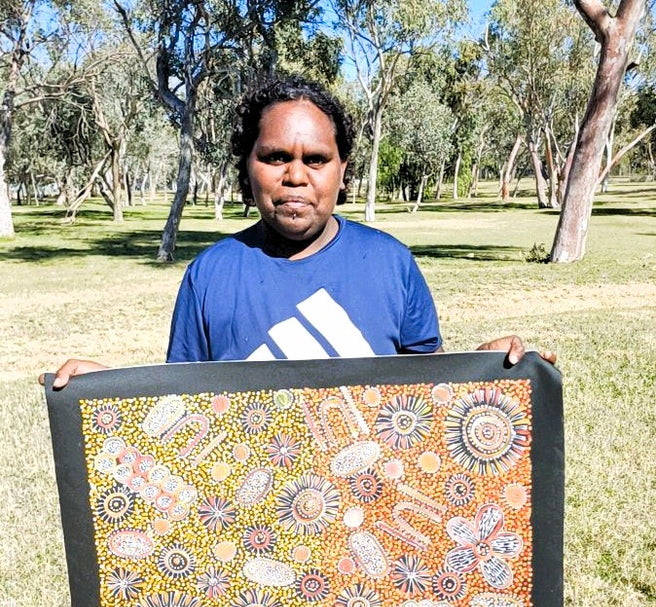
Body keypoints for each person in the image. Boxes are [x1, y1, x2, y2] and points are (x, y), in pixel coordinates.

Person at [44, 75, 556, 387]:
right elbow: (184, 404)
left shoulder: (391, 263)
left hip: (369, 512)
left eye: (315, 159)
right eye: (274, 157)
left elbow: (428, 393)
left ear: (342, 170)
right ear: (247, 167)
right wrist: (106, 390)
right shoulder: (210, 275)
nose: (295, 175)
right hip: (255, 522)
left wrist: (489, 369)